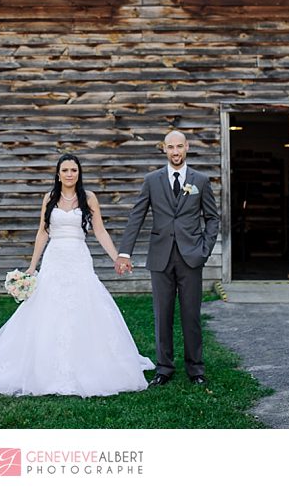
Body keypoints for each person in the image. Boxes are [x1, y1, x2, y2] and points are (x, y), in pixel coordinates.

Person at [0, 153, 154, 397]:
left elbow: (99, 231)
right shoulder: (49, 198)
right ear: (58, 173)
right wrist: (32, 267)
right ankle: (44, 365)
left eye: (73, 170)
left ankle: (88, 364)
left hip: (78, 258)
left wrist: (117, 257)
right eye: (65, 170)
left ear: (79, 173)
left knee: (83, 306)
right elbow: (42, 233)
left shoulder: (89, 198)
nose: (69, 174)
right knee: (47, 308)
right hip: (55, 259)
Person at [117, 130, 219, 387]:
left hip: (191, 257)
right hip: (160, 257)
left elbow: (212, 218)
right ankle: (164, 368)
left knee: (191, 315)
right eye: (171, 147)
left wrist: (204, 250)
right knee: (162, 315)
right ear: (164, 149)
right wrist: (124, 252)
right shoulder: (152, 180)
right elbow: (137, 216)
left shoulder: (201, 180)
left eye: (180, 147)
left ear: (187, 147)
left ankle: (195, 369)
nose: (175, 152)